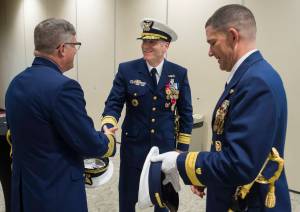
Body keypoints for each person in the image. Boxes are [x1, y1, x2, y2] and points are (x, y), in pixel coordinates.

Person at [152, 4, 291, 212]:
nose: (209, 52)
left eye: (212, 43)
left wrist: (180, 161)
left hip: (248, 203)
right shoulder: (249, 75)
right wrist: (204, 175)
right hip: (231, 192)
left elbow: (240, 163)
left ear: (233, 36)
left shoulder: (256, 82)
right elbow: (225, 142)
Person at [5, 18, 117, 212]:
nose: (76, 51)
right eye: (75, 45)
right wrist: (108, 140)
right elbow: (87, 142)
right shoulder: (64, 88)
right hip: (56, 194)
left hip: (24, 192)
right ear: (62, 48)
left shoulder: (16, 83)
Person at [101, 18, 193, 212]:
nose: (145, 46)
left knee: (163, 197)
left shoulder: (179, 73)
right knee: (128, 196)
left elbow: (185, 113)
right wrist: (108, 122)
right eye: (144, 41)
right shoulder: (127, 70)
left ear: (165, 45)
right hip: (134, 145)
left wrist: (181, 148)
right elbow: (114, 102)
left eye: (152, 42)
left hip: (165, 147)